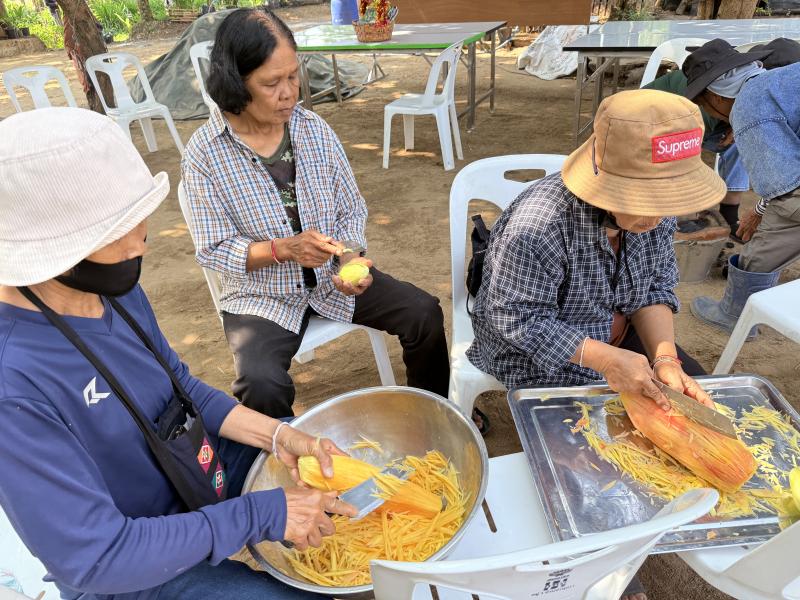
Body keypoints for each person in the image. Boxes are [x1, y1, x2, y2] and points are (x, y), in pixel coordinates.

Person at [0, 107, 358, 600]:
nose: (139, 240)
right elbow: (96, 557)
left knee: (334, 483)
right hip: (128, 564)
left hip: (187, 468)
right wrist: (263, 514)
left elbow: (179, 387)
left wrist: (278, 436)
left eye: (136, 217)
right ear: (51, 247)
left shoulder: (114, 289)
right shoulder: (13, 381)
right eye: (112, 231)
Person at [466, 89, 725, 600]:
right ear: (604, 181)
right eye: (646, 203)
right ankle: (607, 574)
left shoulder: (655, 213)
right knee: (597, 473)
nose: (659, 218)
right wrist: (604, 359)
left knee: (699, 409)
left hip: (619, 336)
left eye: (668, 202)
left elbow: (652, 289)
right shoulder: (538, 225)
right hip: (536, 354)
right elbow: (513, 318)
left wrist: (665, 358)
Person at [181, 8, 454, 427]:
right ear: (236, 82)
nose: (289, 93)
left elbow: (349, 207)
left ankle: (434, 416)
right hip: (261, 297)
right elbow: (214, 249)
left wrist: (349, 258)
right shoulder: (205, 152)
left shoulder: (313, 129)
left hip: (331, 280)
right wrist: (282, 249)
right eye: (272, 83)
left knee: (424, 314)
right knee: (260, 384)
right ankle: (287, 462)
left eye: (293, 76)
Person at [681, 39, 800, 335]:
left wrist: (760, 212)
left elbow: (784, 185)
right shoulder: (781, 79)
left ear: (717, 96)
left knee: (764, 247)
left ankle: (736, 314)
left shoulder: (747, 106)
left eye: (704, 104)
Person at [644, 38, 800, 238]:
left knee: (746, 138)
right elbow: (780, 181)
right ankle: (664, 222)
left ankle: (728, 212)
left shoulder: (757, 92)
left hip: (714, 116)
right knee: (743, 141)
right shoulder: (705, 103)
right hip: (650, 121)